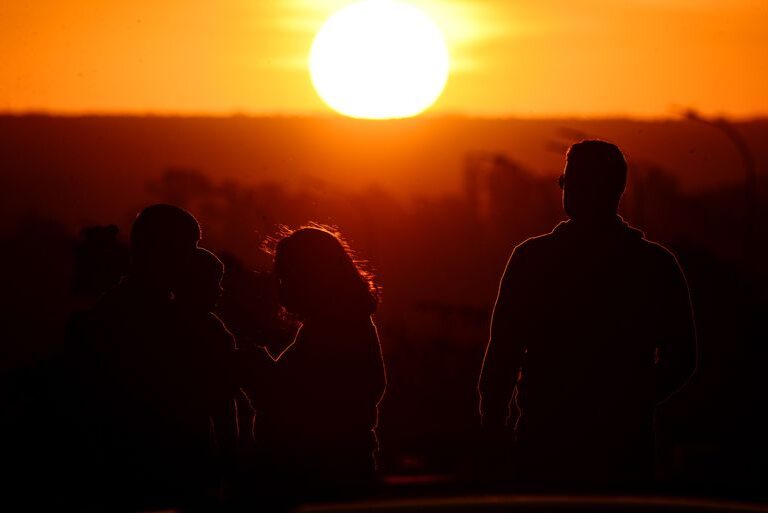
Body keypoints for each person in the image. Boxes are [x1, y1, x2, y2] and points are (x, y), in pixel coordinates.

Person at [478, 140, 697, 488]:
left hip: (547, 444)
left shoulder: (532, 260)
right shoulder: (653, 265)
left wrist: (494, 429)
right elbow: (681, 359)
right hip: (622, 450)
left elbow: (502, 356)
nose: (568, 189)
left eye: (572, 181)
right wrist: (631, 401)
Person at [65, 204, 202, 510]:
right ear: (162, 250)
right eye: (189, 249)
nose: (195, 261)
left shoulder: (118, 310)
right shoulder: (141, 319)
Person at [252, 226, 386, 502]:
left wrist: (259, 371)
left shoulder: (335, 329)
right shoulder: (347, 323)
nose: (282, 282)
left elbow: (307, 398)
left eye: (287, 273)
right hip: (342, 463)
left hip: (324, 471)